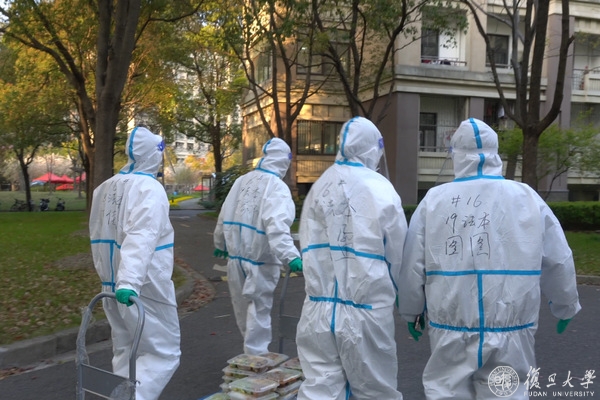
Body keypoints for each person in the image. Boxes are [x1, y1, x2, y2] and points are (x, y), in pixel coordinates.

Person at [398, 118, 582, 400]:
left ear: (456, 154)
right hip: (513, 328)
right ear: (495, 152)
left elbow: (413, 264)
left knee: (447, 392)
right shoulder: (527, 197)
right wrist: (565, 304)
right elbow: (558, 258)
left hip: (451, 327)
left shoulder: (434, 201)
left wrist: (411, 310)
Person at [296, 116, 407, 400]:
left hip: (317, 312)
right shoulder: (380, 188)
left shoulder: (319, 187)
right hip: (366, 312)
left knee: (320, 389)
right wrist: (409, 303)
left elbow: (307, 240)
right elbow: (398, 254)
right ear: (373, 148)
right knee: (375, 391)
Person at [89, 126, 180, 400]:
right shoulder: (150, 189)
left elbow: (98, 232)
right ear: (153, 154)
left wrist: (119, 280)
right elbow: (141, 235)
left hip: (111, 284)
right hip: (143, 285)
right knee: (163, 352)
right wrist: (129, 282)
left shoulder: (105, 188)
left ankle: (119, 396)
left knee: (125, 350)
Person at [213, 137, 302, 355]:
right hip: (261, 261)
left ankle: (250, 354)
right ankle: (256, 358)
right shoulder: (277, 188)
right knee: (258, 309)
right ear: (284, 161)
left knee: (242, 309)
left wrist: (220, 242)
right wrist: (290, 256)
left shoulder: (242, 181)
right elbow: (277, 227)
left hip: (235, 259)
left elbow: (224, 214)